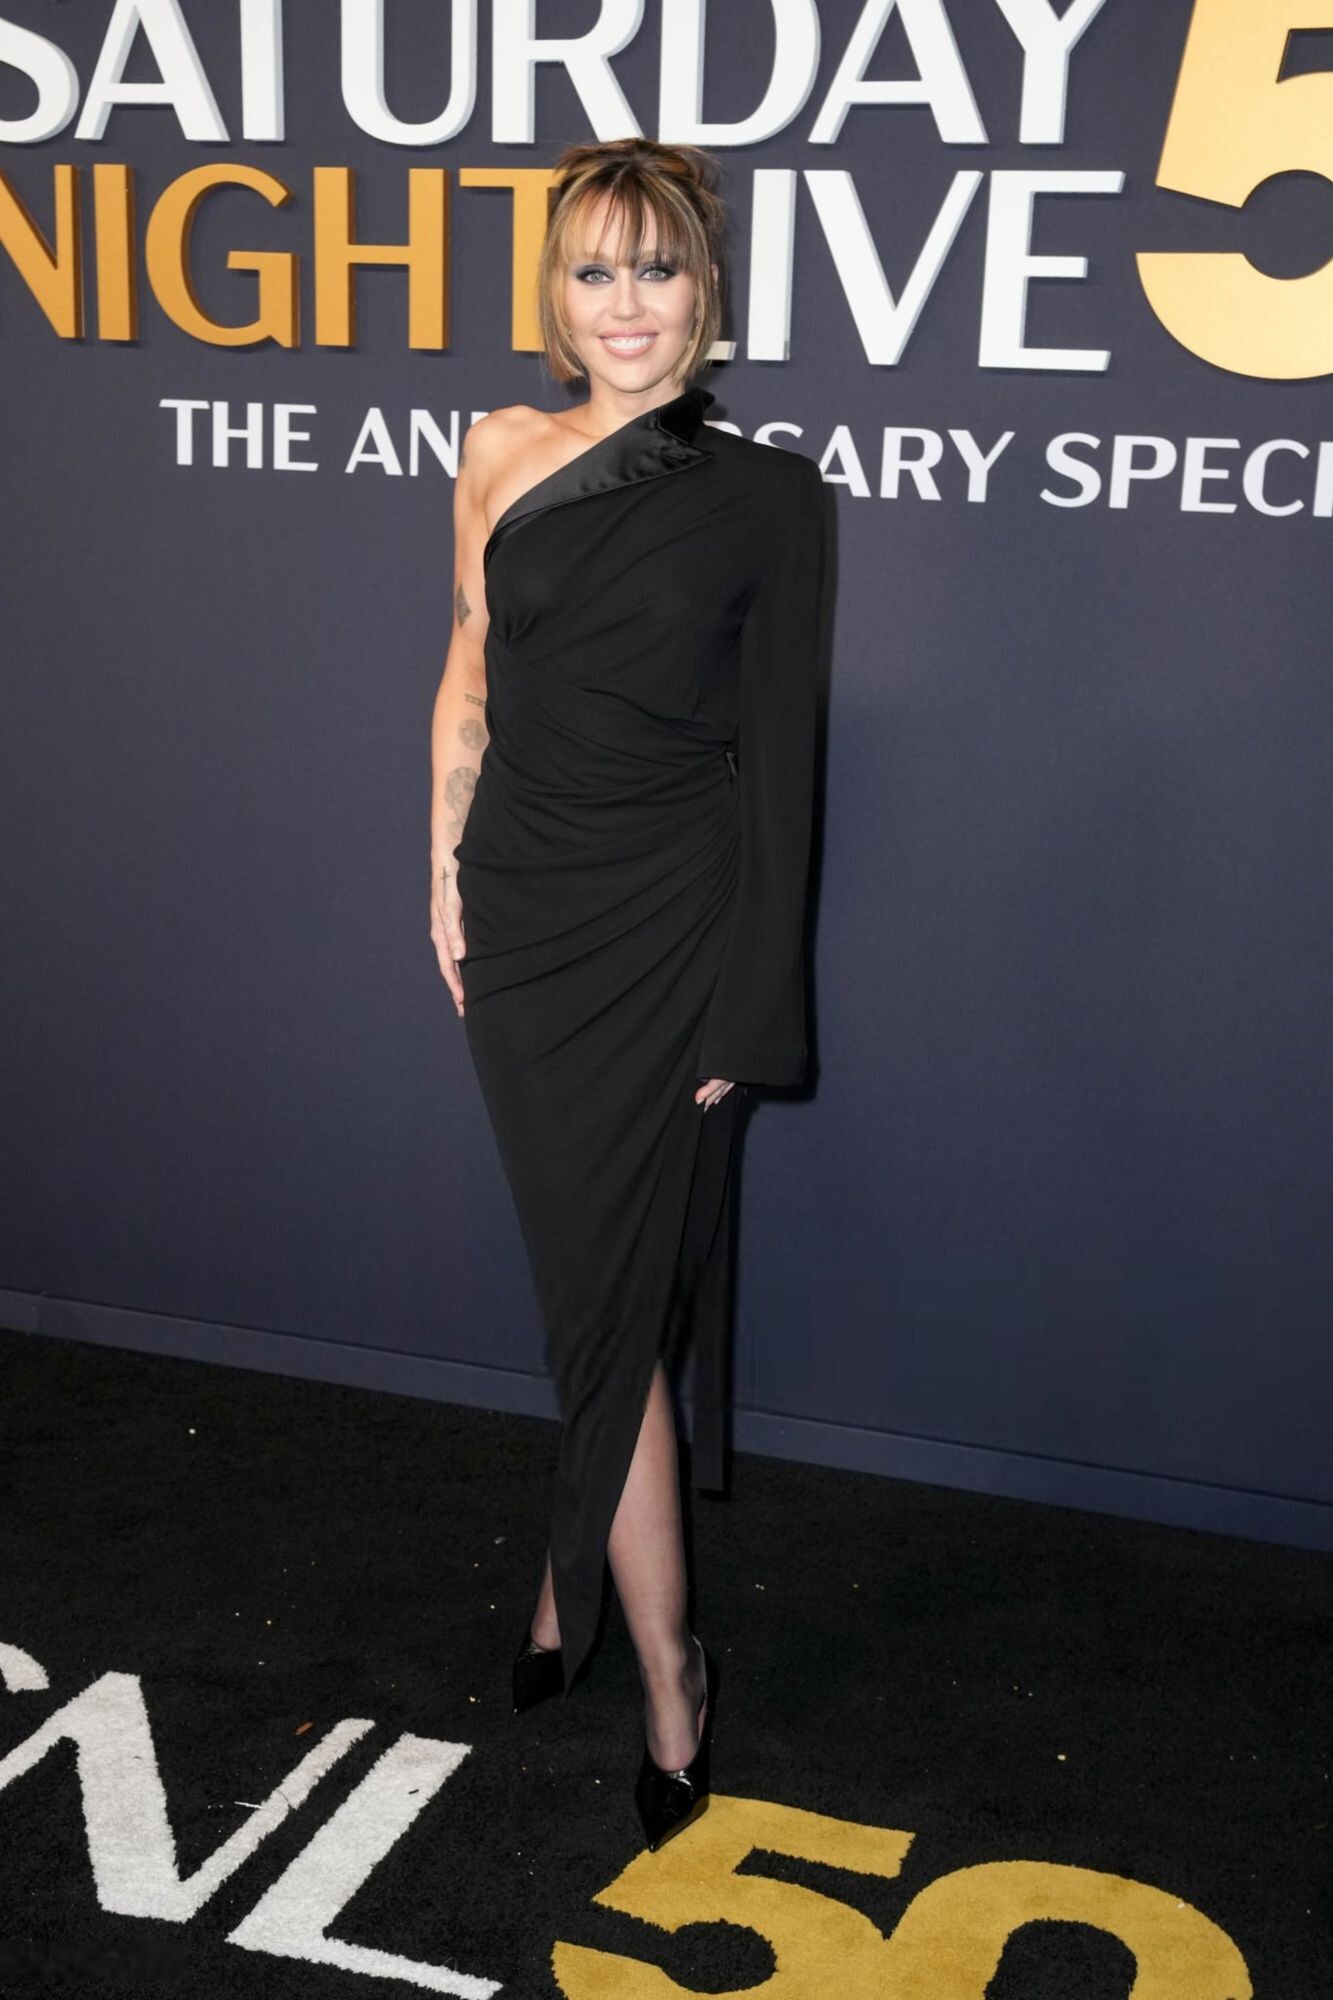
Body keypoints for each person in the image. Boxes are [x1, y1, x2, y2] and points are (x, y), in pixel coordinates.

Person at [428, 137, 828, 1850]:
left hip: (670, 938)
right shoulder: (495, 449)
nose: (626, 305)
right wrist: (440, 868)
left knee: (610, 1308)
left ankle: (667, 1670)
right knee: (589, 1292)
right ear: (556, 292)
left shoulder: (771, 499)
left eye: (656, 269)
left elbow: (782, 770)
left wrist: (751, 1006)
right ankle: (575, 1576)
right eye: (595, 270)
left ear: (703, 291)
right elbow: (467, 670)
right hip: (525, 920)